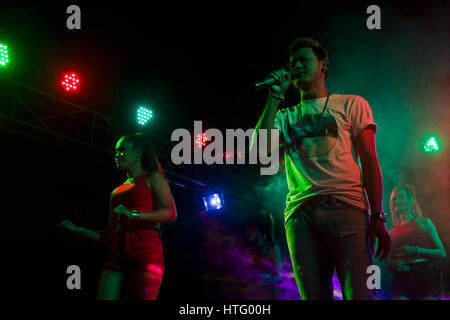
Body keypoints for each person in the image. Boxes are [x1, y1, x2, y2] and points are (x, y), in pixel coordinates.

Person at [252, 37, 391, 299]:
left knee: (359, 294)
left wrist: (377, 216)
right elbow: (257, 152)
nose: (296, 66)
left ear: (323, 64)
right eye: (293, 63)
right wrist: (274, 97)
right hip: (300, 214)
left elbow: (370, 162)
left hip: (346, 206)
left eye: (303, 60)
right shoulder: (284, 116)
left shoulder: (351, 104)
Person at [57, 132, 177, 300]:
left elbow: (171, 213)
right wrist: (77, 230)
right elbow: (110, 236)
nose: (117, 155)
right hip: (116, 258)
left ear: (138, 152)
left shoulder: (152, 178)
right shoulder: (116, 192)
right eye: (115, 151)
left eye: (122, 150)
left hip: (146, 255)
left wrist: (132, 215)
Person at [387, 185, 446, 300]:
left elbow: (442, 252)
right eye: (394, 199)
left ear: (410, 200)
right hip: (401, 277)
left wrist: (416, 250)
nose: (397, 201)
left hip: (423, 273)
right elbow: (388, 263)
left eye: (401, 197)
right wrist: (393, 263)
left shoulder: (424, 222)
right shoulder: (392, 232)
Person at [244, 209, 283, 299]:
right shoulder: (251, 249)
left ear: (257, 229)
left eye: (250, 227)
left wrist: (262, 278)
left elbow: (279, 277)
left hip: (267, 295)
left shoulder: (273, 249)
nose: (247, 231)